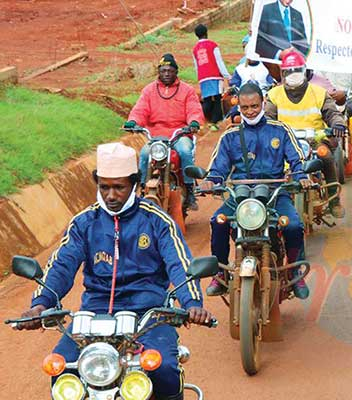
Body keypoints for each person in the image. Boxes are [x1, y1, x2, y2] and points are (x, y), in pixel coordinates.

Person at [14, 143, 212, 400]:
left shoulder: (157, 220)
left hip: (149, 314)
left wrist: (192, 302)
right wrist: (41, 305)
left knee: (164, 370)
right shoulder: (84, 223)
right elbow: (61, 265)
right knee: (61, 371)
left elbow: (179, 264)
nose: (111, 195)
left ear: (134, 183)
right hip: (94, 315)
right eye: (104, 187)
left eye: (119, 187)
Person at [202, 83, 312, 299]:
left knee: (293, 226)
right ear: (239, 108)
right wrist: (210, 182)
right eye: (245, 107)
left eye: (254, 106)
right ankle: (221, 274)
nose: (250, 111)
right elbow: (218, 168)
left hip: (275, 192)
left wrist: (302, 177)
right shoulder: (230, 136)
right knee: (218, 221)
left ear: (263, 103)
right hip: (239, 194)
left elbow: (297, 161)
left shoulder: (280, 130)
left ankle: (294, 272)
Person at [266, 50, 345, 218]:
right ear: (283, 73)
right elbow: (268, 118)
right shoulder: (274, 95)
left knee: (326, 157)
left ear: (304, 72)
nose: (293, 75)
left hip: (314, 139)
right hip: (284, 141)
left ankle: (334, 201)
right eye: (289, 72)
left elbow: (332, 113)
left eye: (296, 71)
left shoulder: (319, 92)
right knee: (268, 162)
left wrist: (337, 123)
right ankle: (267, 202)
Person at [125, 53, 204, 210]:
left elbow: (194, 109)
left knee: (185, 151)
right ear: (159, 72)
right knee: (145, 154)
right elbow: (141, 109)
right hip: (156, 136)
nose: (167, 74)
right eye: (163, 70)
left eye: (170, 70)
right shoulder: (149, 90)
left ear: (176, 72)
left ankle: (189, 192)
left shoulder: (187, 90)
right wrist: (133, 121)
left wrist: (194, 122)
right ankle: (141, 189)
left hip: (179, 133)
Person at [192, 24, 231, 131]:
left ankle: (200, 121)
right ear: (206, 33)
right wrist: (227, 75)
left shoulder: (195, 49)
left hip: (203, 77)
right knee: (217, 98)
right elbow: (219, 61)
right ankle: (213, 122)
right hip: (214, 75)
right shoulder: (213, 45)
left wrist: (199, 77)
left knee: (208, 99)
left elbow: (196, 66)